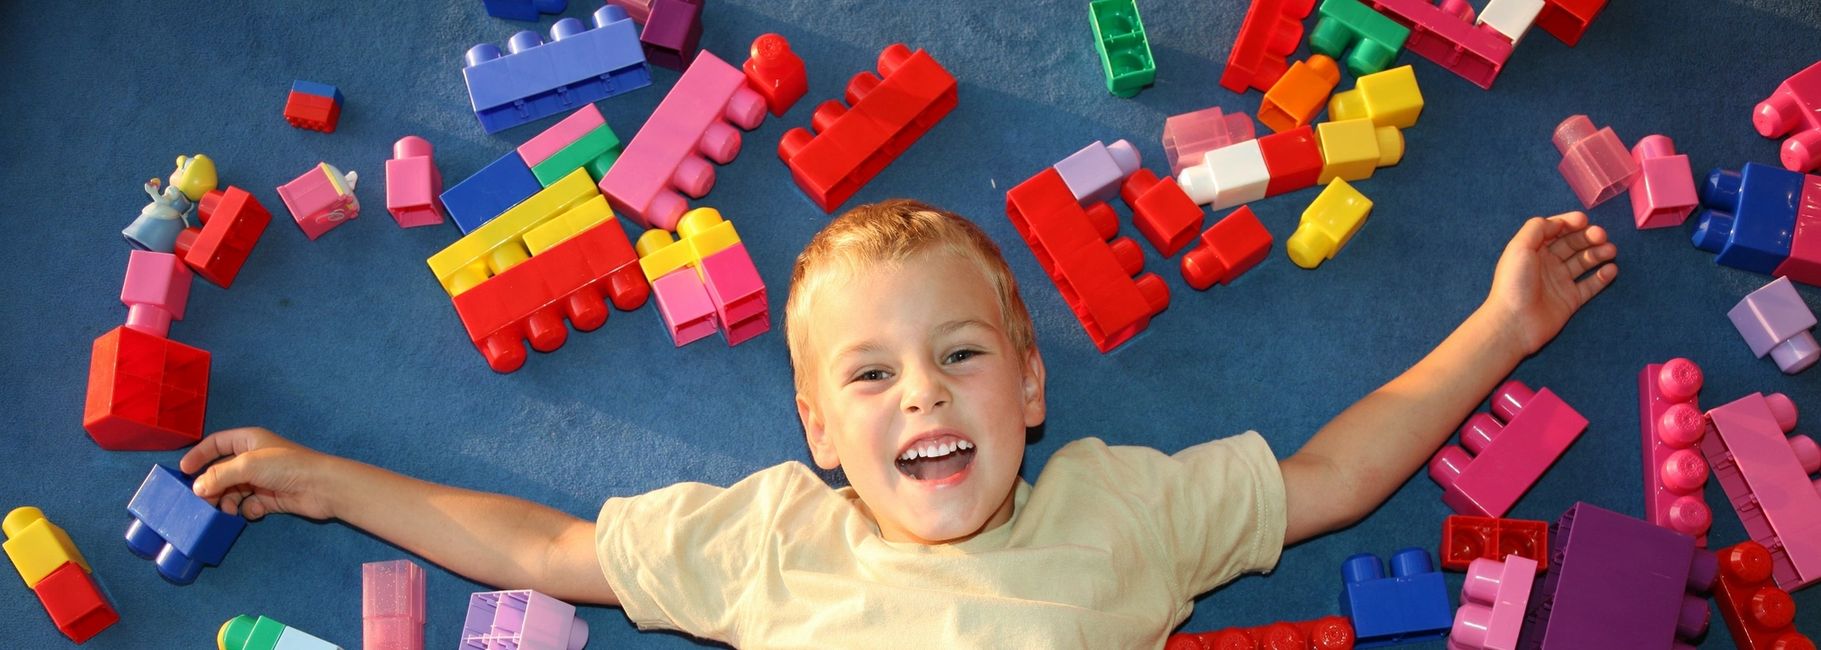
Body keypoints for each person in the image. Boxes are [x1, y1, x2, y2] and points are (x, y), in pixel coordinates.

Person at [181, 199, 1617, 647]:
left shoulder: (1117, 505)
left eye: (958, 355)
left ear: (1032, 389)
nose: (921, 392)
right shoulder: (767, 536)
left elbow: (1330, 478)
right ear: (814, 426)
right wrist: (326, 480)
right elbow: (547, 545)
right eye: (869, 377)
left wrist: (1502, 325)